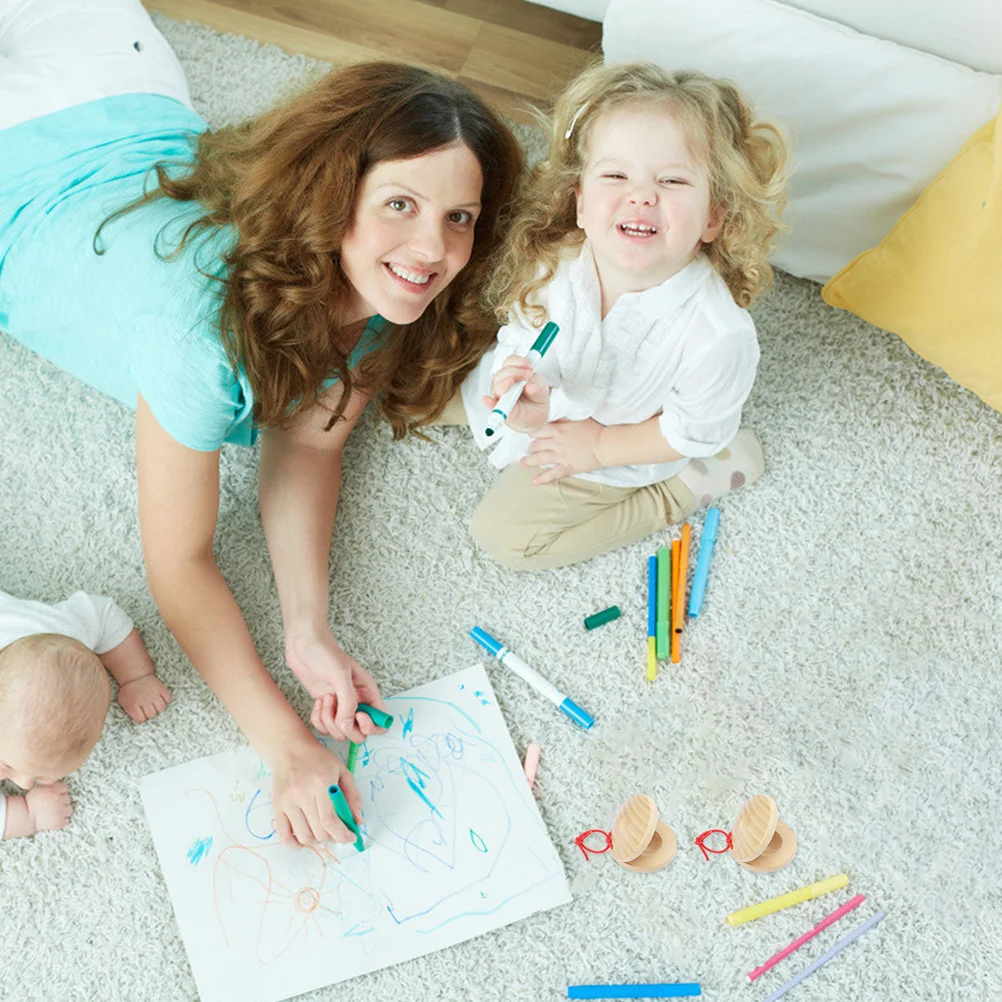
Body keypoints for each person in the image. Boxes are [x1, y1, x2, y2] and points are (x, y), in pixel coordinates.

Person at [0, 0, 523, 845]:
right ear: (333, 195)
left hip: (122, 86)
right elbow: (179, 563)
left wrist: (306, 630)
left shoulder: (393, 288)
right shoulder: (198, 338)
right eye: (399, 204)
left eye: (458, 217)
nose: (431, 249)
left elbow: (311, 442)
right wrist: (284, 744)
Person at [451, 61, 789, 569]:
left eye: (673, 180)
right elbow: (523, 330)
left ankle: (685, 489)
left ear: (714, 217)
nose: (641, 195)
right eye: (615, 175)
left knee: (503, 537)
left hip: (623, 449)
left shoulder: (718, 336)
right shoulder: (555, 259)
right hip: (552, 409)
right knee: (418, 394)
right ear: (581, 203)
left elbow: (690, 432)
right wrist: (523, 382)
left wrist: (601, 447)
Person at [0, 588, 170, 839]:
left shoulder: (65, 633)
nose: (23, 784)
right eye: (7, 764)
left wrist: (135, 676)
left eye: (39, 775)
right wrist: (27, 814)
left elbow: (106, 618)